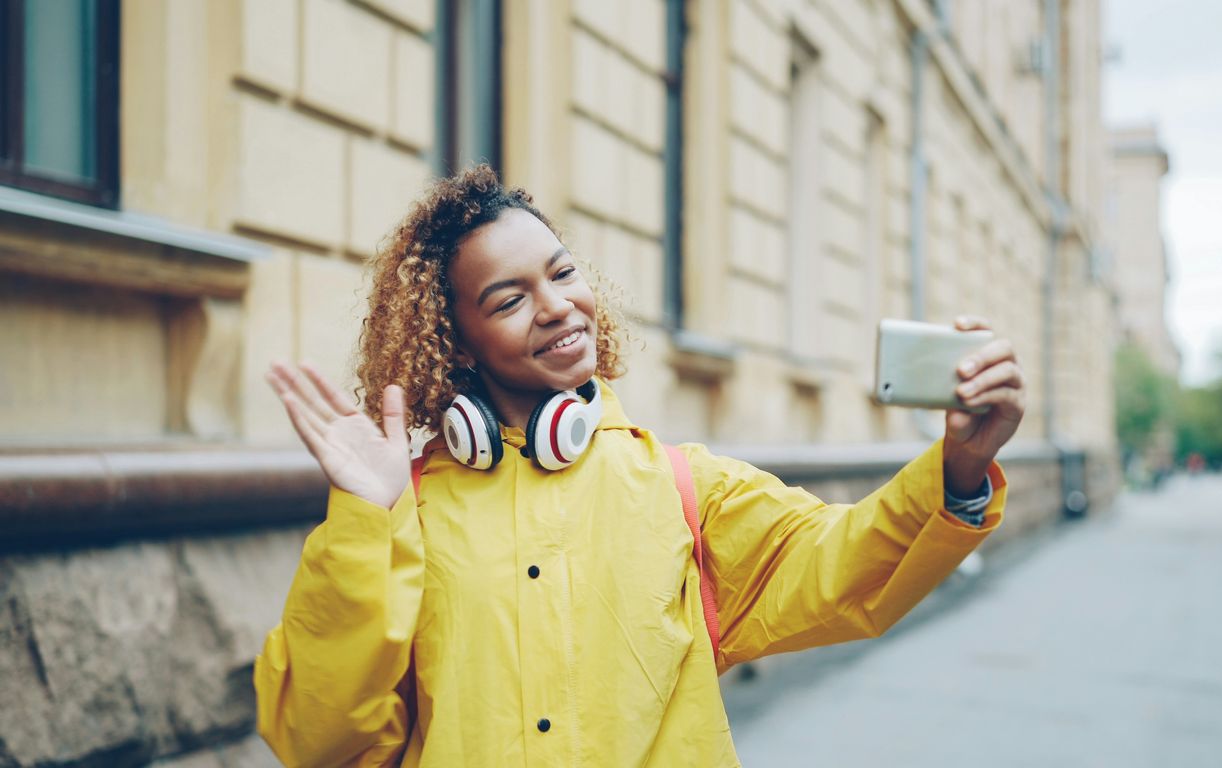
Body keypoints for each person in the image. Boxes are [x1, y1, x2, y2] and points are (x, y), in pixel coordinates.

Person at [254, 164, 1025, 766]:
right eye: (508, 299)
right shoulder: (404, 513)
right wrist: (365, 518)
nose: (556, 306)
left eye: (561, 273)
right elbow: (316, 737)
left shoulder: (684, 488)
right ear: (456, 341)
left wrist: (957, 468)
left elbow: (844, 566)